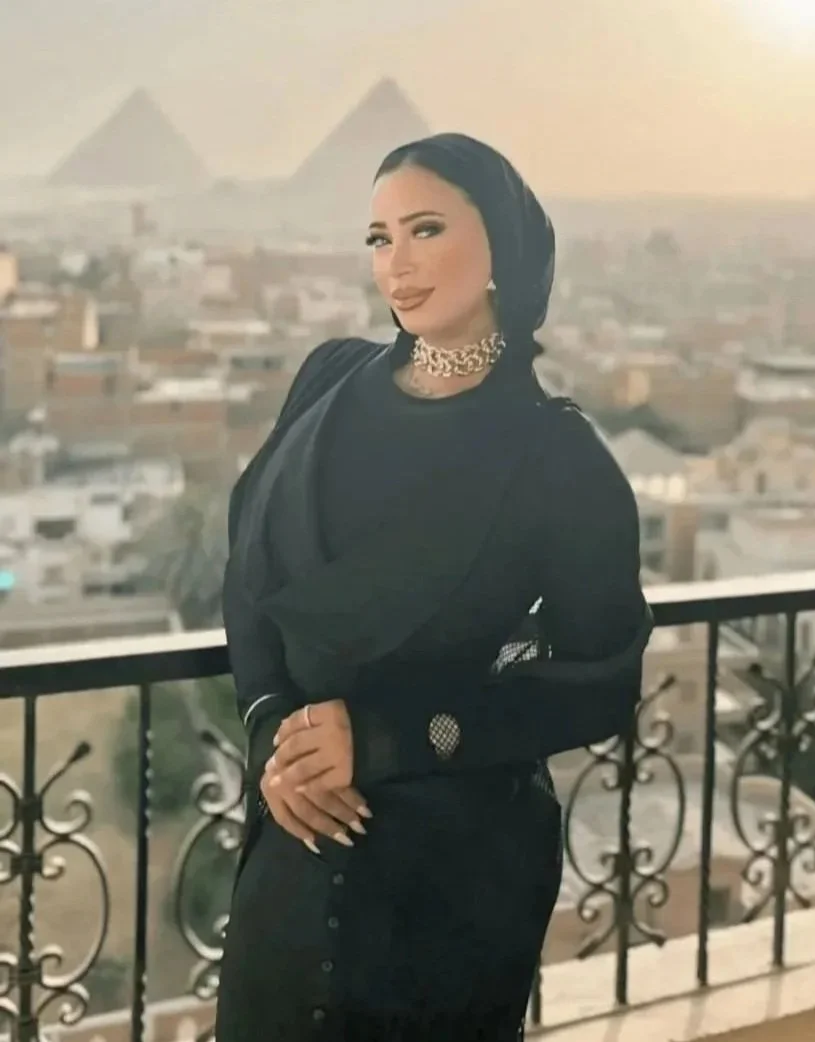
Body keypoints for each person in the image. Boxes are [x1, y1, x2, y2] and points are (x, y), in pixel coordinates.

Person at [215, 132, 652, 1042]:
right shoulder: (326, 382)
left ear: (503, 247)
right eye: (379, 238)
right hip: (293, 853)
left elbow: (602, 685)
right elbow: (249, 577)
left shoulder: (558, 458)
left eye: (425, 230)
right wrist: (272, 737)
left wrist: (384, 738)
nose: (397, 264)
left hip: (451, 884)